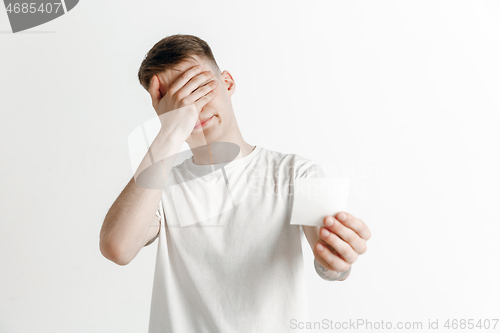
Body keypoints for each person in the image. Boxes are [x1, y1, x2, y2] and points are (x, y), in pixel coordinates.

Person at [99, 34, 371, 333]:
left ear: (227, 82)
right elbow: (118, 248)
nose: (193, 108)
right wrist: (169, 133)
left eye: (200, 88)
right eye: (175, 101)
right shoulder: (160, 188)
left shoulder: (299, 172)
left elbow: (331, 262)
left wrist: (336, 261)